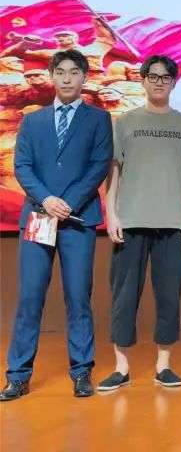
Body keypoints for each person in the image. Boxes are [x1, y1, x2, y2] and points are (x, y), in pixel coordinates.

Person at [2, 50, 112, 402]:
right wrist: (47, 200)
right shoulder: (33, 121)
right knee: (30, 297)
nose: (66, 78)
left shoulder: (99, 119)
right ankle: (18, 375)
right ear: (52, 76)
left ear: (84, 77)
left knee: (78, 297)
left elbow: (99, 165)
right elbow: (22, 166)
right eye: (60, 71)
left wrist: (67, 203)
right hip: (38, 216)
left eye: (74, 72)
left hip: (78, 220)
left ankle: (81, 372)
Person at [97, 55, 181, 392]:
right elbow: (114, 171)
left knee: (169, 296)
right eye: (153, 76)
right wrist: (111, 214)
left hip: (171, 222)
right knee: (123, 296)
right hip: (130, 221)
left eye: (165, 77)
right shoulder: (125, 122)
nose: (158, 82)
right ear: (142, 80)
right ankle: (121, 367)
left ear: (174, 82)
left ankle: (163, 366)